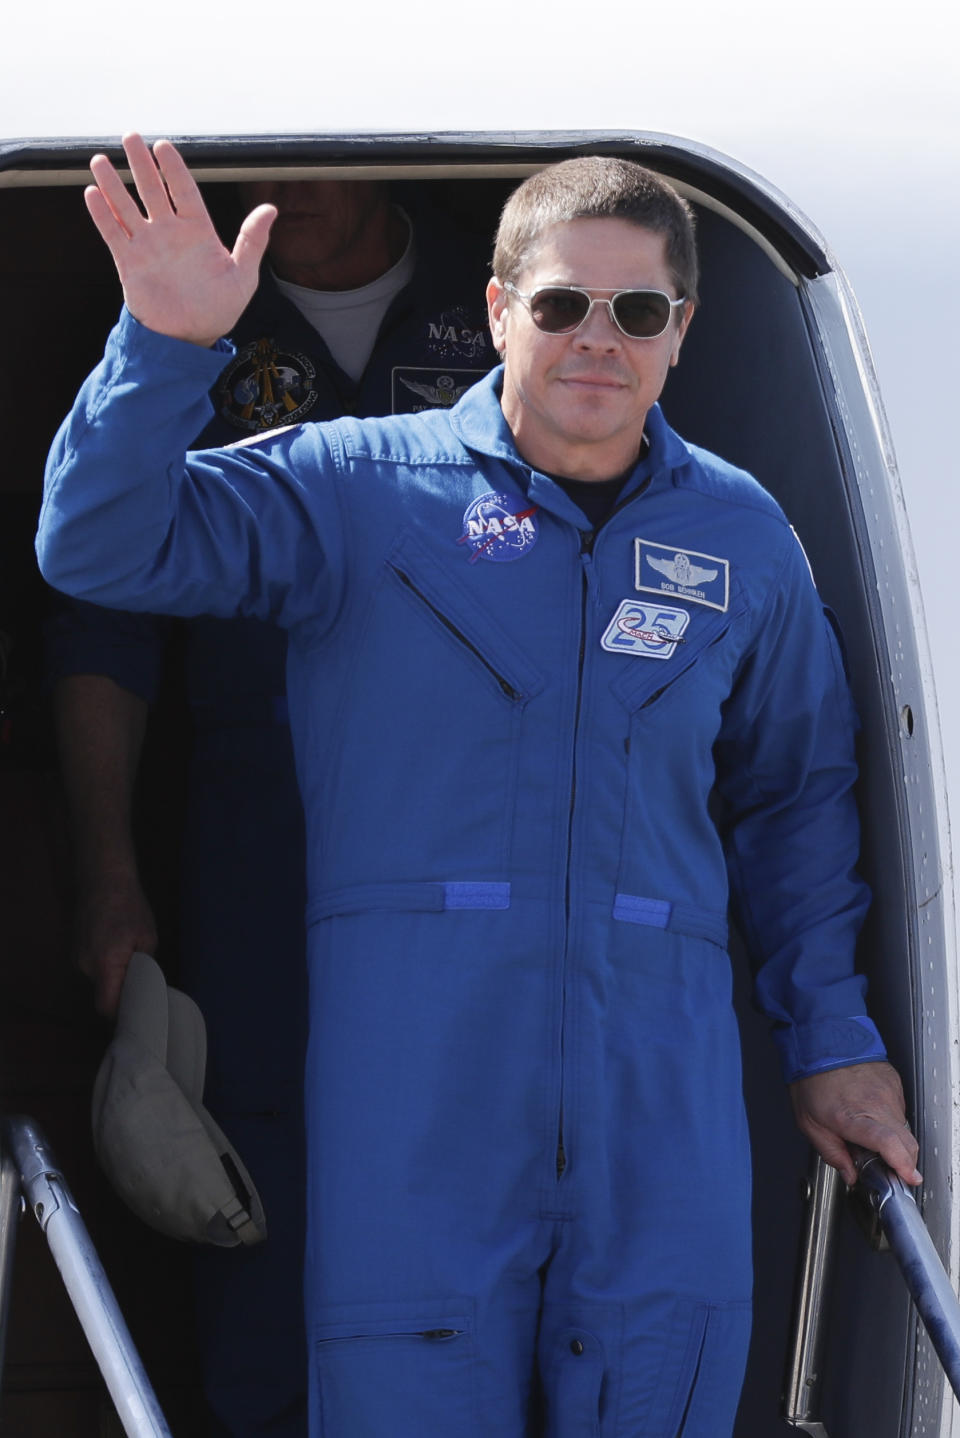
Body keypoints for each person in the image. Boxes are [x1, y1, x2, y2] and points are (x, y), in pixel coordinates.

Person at [38, 134, 921, 1438]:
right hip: (418, 1102)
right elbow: (101, 546)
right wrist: (163, 349)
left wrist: (834, 1039)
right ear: (500, 308)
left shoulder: (743, 537)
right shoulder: (356, 490)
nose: (597, 340)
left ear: (683, 329)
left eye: (638, 310)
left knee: (663, 1384)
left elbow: (798, 797)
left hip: (660, 1104)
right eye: (562, 302)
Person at [46, 170, 495, 1437]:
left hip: (473, 819)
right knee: (256, 1165)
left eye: (326, 152)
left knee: (482, 1147)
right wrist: (109, 874)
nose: (290, 183)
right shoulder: (171, 302)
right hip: (258, 823)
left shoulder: (514, 288)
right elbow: (103, 620)